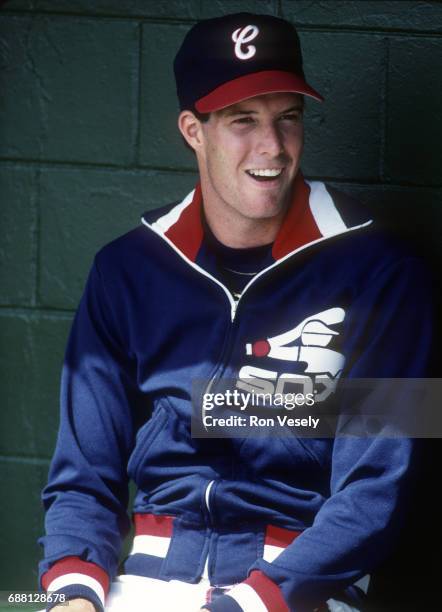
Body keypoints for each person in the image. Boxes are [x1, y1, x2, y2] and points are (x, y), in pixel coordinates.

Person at [38, 12, 433, 612]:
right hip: (146, 577)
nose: (272, 147)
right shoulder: (126, 271)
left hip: (300, 587)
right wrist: (73, 591)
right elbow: (81, 475)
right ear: (193, 130)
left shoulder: (386, 273)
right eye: (242, 121)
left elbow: (378, 491)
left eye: (288, 119)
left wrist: (246, 603)